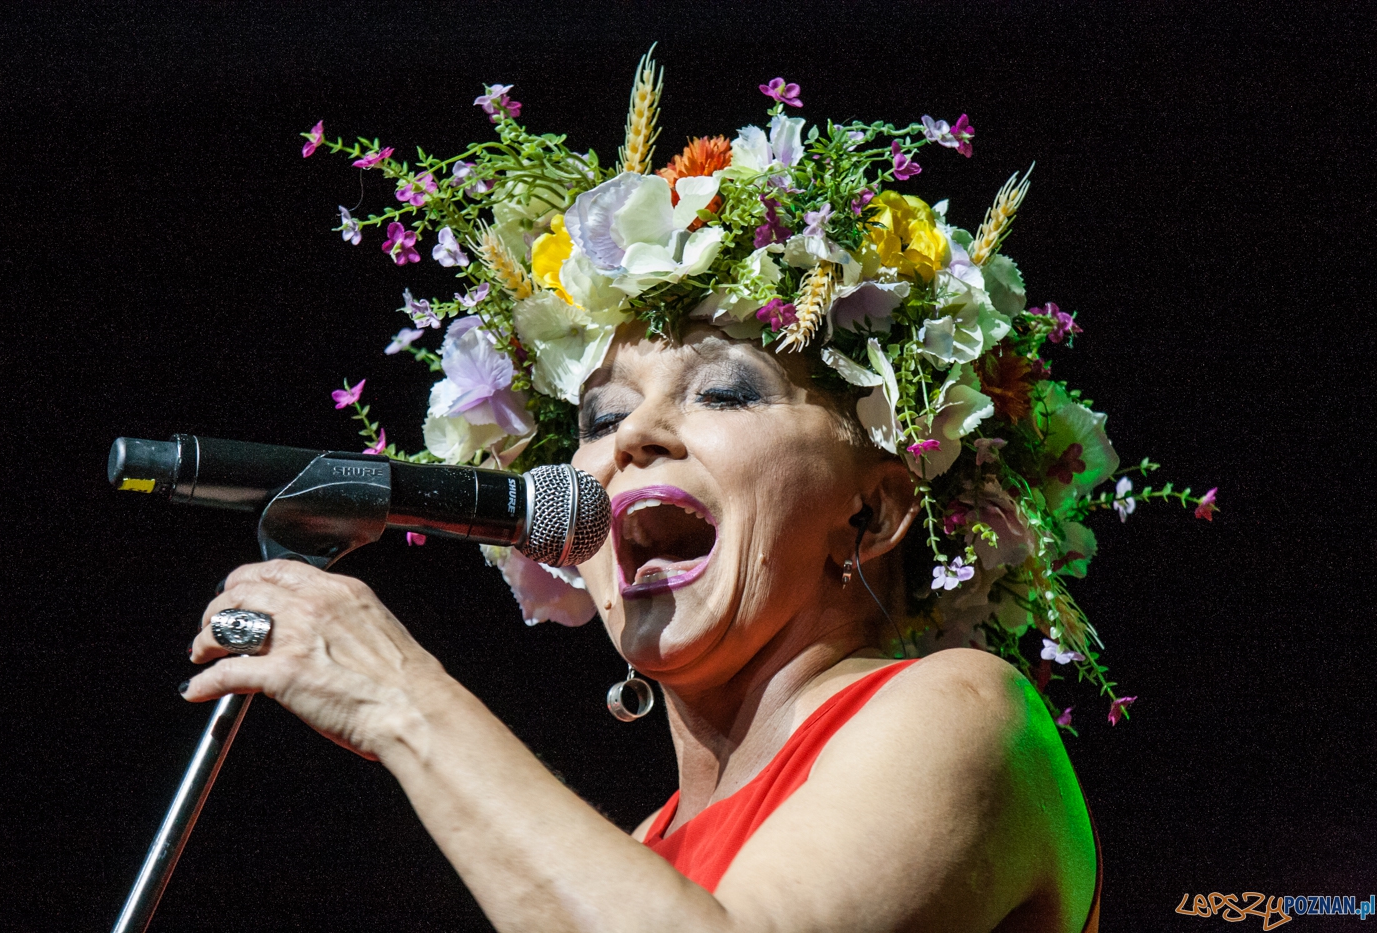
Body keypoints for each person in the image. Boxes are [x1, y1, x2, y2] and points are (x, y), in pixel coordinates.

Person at [186, 318, 1101, 932]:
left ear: (872, 511)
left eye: (727, 392)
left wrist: (403, 699)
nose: (633, 437)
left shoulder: (969, 711)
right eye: (604, 414)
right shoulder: (630, 864)